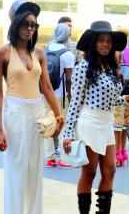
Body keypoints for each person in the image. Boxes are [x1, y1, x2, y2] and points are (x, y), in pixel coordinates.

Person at [0, 0, 64, 214]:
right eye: (25, 24)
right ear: (14, 24)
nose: (29, 29)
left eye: (33, 25)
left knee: (34, 170)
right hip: (15, 113)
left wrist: (59, 117)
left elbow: (47, 87)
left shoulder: (39, 53)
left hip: (38, 114)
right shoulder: (1, 53)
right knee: (16, 169)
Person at [63, 20, 129, 213]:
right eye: (101, 40)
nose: (106, 44)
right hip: (89, 121)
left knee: (110, 171)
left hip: (106, 122)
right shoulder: (84, 66)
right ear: (93, 43)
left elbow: (112, 101)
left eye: (108, 41)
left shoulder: (110, 67)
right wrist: (68, 132)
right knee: (89, 172)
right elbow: (75, 100)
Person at [44, 23, 76, 168]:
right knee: (64, 125)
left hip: (45, 93)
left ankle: (50, 158)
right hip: (60, 95)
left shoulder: (45, 50)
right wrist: (71, 95)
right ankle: (64, 158)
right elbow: (69, 79)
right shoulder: (67, 54)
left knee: (48, 124)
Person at [113, 26, 129, 167]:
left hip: (118, 88)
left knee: (117, 124)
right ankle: (123, 152)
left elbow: (115, 69)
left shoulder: (115, 51)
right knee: (126, 123)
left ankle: (117, 154)